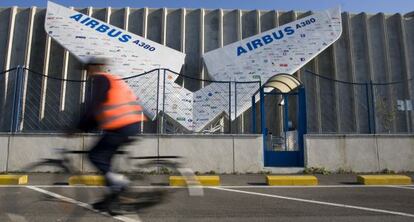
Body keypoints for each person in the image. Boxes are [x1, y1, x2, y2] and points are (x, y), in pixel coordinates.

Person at [77, 57, 147, 210]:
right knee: (106, 163)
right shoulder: (113, 79)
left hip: (122, 126)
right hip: (129, 125)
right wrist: (87, 126)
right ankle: (111, 199)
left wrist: (79, 127)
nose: (87, 73)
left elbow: (93, 107)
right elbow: (102, 107)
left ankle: (121, 184)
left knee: (95, 156)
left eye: (88, 69)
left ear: (94, 68)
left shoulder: (101, 80)